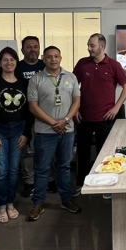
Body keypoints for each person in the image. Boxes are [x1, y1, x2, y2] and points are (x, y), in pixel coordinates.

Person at [27, 46, 81, 220]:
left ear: (61, 58)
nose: (53, 59)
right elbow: (33, 106)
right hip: (44, 132)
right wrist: (53, 123)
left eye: (56, 56)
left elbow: (77, 101)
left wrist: (65, 120)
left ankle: (66, 200)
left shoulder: (71, 77)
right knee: (42, 169)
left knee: (64, 167)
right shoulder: (36, 79)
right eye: (49, 57)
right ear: (44, 59)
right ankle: (38, 203)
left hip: (67, 130)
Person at [73, 33, 126, 188]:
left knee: (105, 154)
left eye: (92, 45)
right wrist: (74, 108)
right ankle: (82, 184)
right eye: (88, 45)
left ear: (102, 46)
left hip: (105, 118)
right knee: (83, 153)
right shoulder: (82, 64)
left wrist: (116, 107)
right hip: (83, 117)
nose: (89, 48)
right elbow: (72, 87)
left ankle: (104, 184)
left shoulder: (113, 65)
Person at [0, 46, 32, 223]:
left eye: (12, 59)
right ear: (0, 62)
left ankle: (10, 203)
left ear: (16, 62)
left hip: (18, 130)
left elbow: (29, 111)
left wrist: (26, 133)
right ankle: (1, 206)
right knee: (1, 171)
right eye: (5, 60)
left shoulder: (25, 82)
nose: (9, 63)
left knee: (14, 170)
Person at [17, 36, 46, 196]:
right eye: (28, 47)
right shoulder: (17, 67)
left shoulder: (45, 65)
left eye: (35, 46)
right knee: (27, 151)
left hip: (46, 116)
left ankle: (49, 179)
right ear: (22, 50)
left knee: (46, 150)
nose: (32, 50)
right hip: (24, 116)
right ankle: (29, 181)